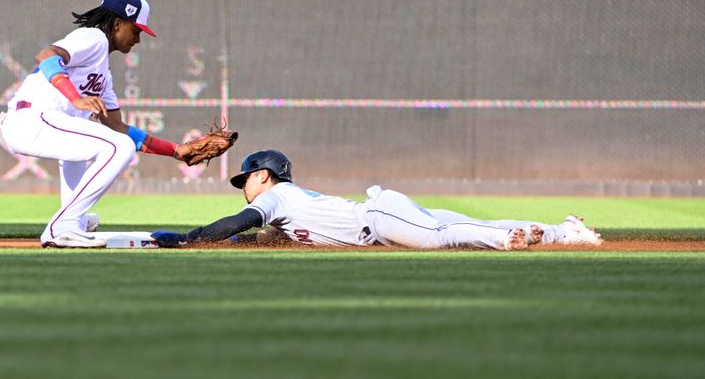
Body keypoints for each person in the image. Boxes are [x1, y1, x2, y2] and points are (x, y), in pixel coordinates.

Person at [0, 0, 198, 248]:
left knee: (103, 145)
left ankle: (74, 221)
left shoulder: (104, 75)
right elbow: (47, 55)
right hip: (32, 118)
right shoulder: (93, 38)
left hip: (44, 123)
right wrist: (75, 97)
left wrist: (175, 151)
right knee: (118, 148)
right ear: (117, 23)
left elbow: (118, 128)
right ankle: (63, 226)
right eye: (136, 30)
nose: (138, 39)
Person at [152, 149, 603, 250]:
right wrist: (235, 245)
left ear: (265, 176)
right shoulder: (285, 206)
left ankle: (510, 240)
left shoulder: (277, 196)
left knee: (440, 237)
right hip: (383, 216)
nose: (245, 186)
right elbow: (259, 238)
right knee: (452, 222)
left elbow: (237, 222)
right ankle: (567, 231)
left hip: (378, 216)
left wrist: (189, 239)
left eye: (247, 179)